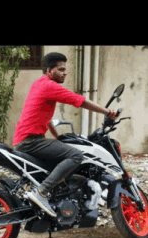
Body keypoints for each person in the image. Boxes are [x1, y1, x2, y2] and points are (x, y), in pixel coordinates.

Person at [13, 52, 118, 217]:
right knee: (76, 156)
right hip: (31, 141)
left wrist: (56, 137)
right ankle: (41, 192)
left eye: (65, 69)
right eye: (60, 69)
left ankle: (58, 190)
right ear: (50, 71)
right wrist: (108, 112)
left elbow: (44, 118)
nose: (65, 73)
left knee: (64, 156)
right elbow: (80, 101)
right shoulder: (49, 86)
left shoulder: (39, 84)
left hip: (26, 140)